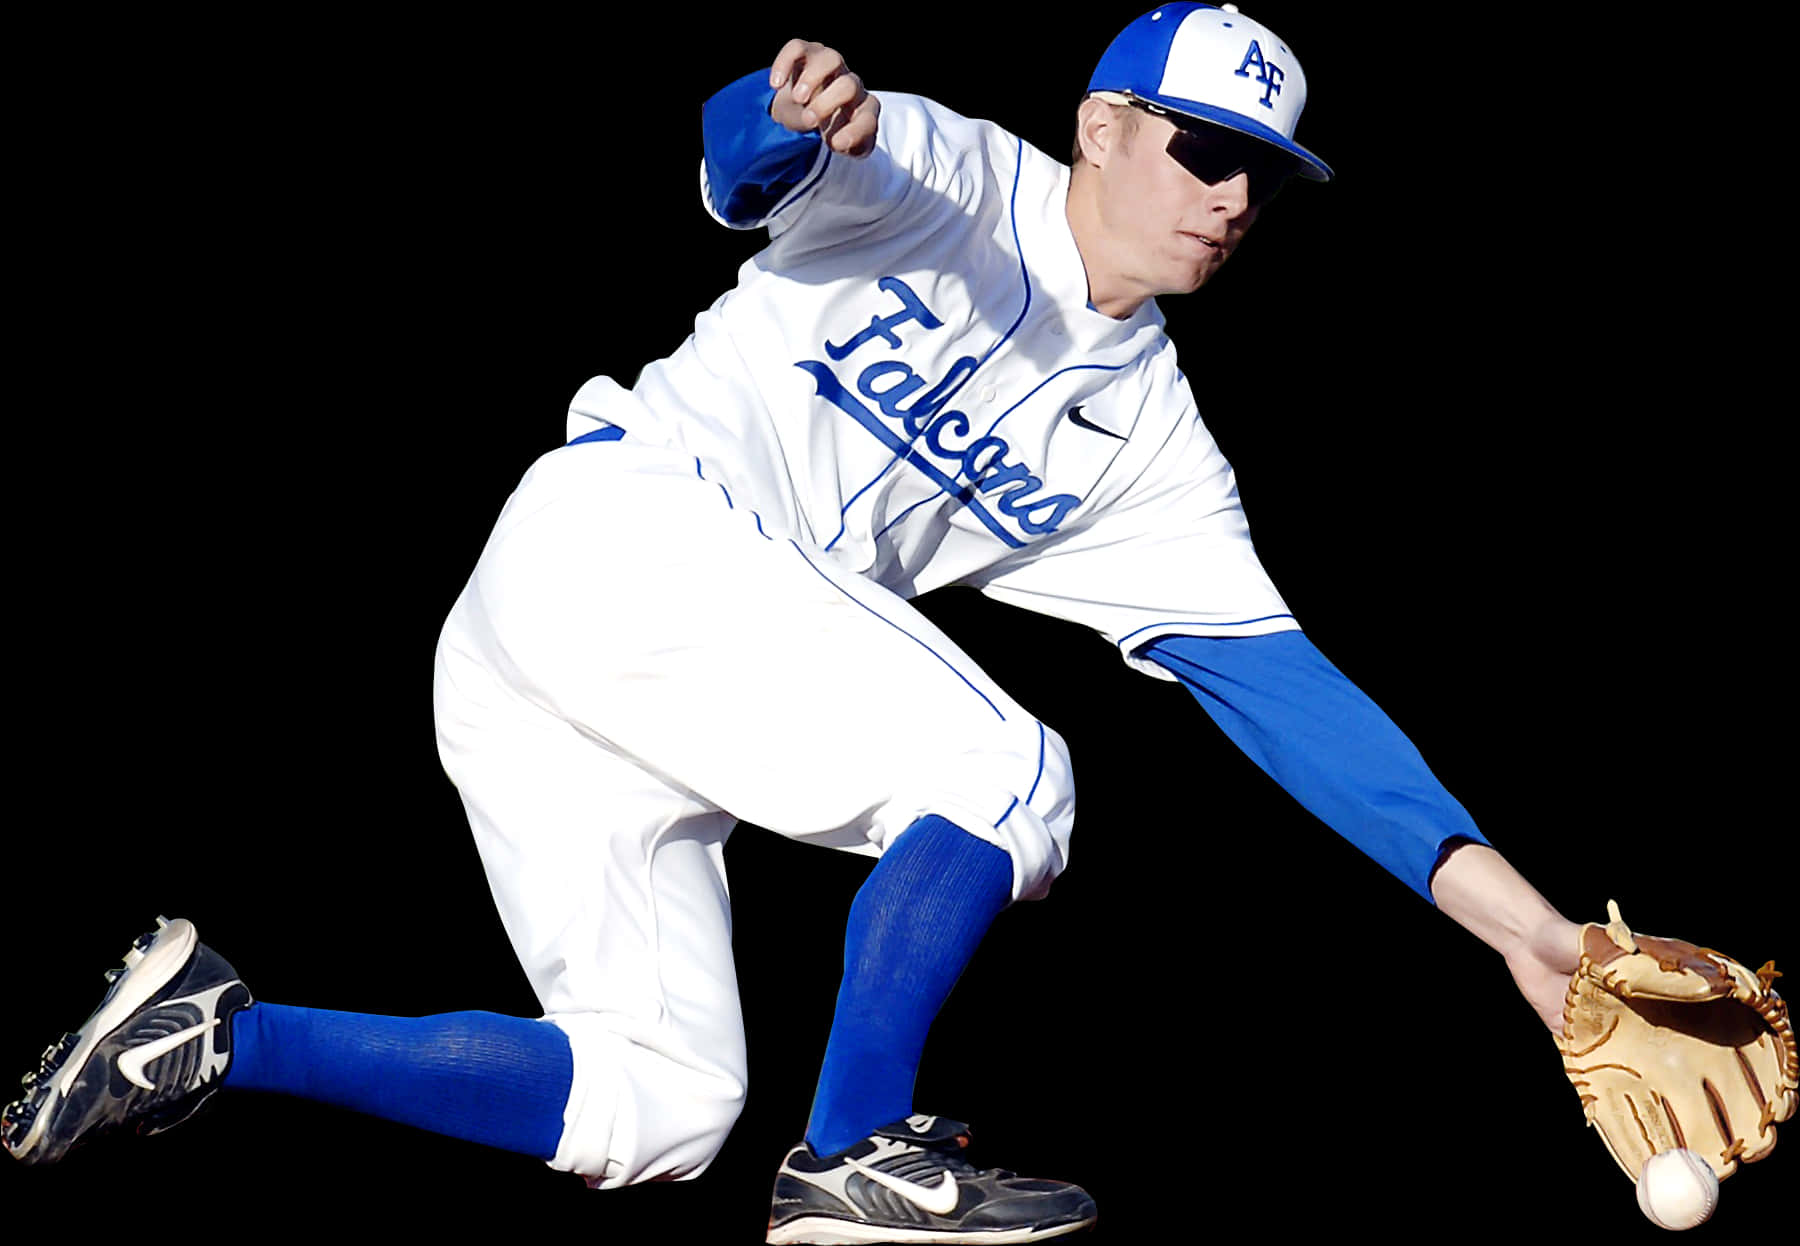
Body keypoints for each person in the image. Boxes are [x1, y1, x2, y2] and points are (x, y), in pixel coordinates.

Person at [2, 6, 1607, 1241]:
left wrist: (1532, 935)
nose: (1235, 196)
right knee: (1007, 773)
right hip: (625, 528)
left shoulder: (1154, 455)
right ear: (1101, 126)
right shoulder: (958, 177)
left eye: (1264, 174)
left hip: (595, 676)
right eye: (1202, 148)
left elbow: (1297, 703)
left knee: (661, 1103)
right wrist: (780, 118)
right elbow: (754, 161)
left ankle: (218, 1035)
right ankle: (854, 1146)